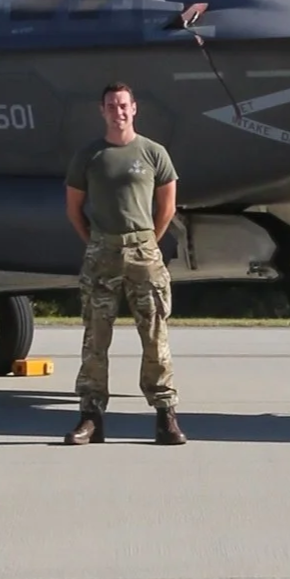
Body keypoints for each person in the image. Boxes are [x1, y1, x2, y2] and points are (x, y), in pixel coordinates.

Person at [61, 82, 183, 445]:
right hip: (102, 254)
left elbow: (167, 207)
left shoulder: (153, 153)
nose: (118, 111)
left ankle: (165, 416)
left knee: (155, 335)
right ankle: (91, 417)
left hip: (144, 253)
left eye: (124, 105)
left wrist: (147, 242)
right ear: (102, 111)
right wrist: (98, 244)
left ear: (134, 109)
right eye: (112, 106)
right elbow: (73, 209)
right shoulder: (89, 156)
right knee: (95, 337)